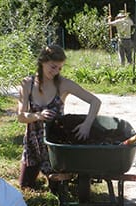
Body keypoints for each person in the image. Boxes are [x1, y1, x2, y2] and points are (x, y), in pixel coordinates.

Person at [17, 44, 101, 191]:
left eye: (60, 68)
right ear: (42, 62)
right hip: (33, 142)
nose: (56, 72)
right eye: (53, 67)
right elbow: (21, 117)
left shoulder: (63, 84)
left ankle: (60, 179)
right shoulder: (27, 84)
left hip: (55, 145)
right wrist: (38, 115)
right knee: (25, 186)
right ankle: (37, 173)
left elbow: (95, 101)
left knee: (58, 190)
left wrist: (87, 125)